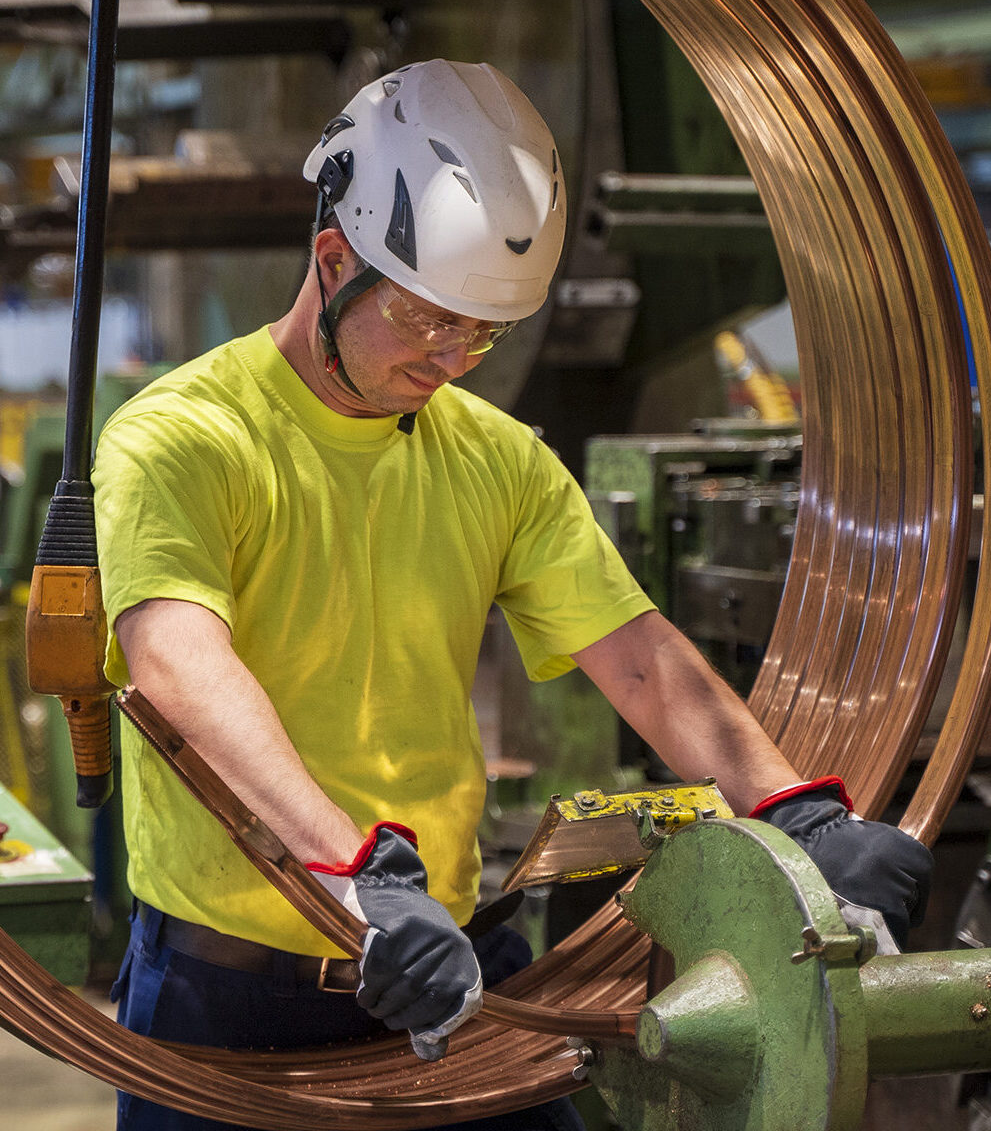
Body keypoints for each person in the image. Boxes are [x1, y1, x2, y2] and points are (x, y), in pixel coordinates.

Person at [93, 59, 932, 1130]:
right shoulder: (182, 438)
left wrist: (794, 810)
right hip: (234, 991)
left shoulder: (496, 458)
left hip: (449, 959)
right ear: (332, 258)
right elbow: (178, 666)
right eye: (424, 318)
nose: (451, 357)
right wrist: (359, 878)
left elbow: (633, 651)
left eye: (480, 332)